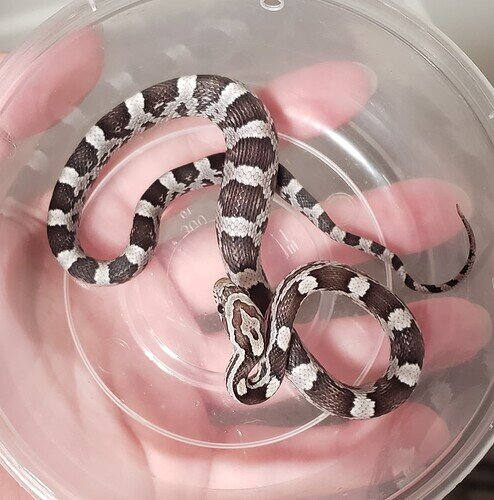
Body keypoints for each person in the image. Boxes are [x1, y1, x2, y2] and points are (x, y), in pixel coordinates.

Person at [0, 29, 490, 498]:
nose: (227, 286)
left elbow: (268, 317)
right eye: (232, 295)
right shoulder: (268, 330)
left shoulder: (270, 337)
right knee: (200, 220)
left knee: (248, 190)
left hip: (273, 316)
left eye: (226, 298)